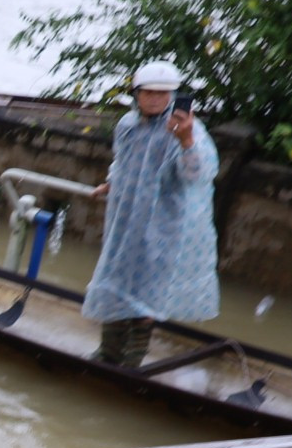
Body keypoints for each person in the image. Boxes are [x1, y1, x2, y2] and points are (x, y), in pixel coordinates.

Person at [83, 60, 220, 368]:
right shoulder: (128, 125)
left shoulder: (187, 130)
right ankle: (107, 353)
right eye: (149, 92)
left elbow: (197, 175)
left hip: (162, 224)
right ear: (137, 94)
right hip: (125, 219)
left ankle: (132, 360)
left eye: (163, 93)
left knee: (148, 293)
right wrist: (110, 183)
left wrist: (186, 141)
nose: (156, 99)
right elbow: (122, 161)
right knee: (115, 280)